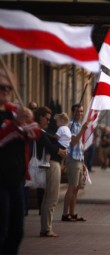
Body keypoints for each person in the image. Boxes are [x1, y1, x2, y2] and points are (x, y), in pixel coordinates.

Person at [0, 68, 40, 254]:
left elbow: (35, 132)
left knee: (17, 231)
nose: (6, 91)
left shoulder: (16, 111)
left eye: (9, 87)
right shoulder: (12, 118)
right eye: (2, 87)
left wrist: (26, 119)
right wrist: (15, 127)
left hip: (16, 179)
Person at [34, 107, 67, 237]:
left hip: (53, 164)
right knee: (51, 197)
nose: (48, 122)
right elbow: (50, 147)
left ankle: (45, 227)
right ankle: (47, 228)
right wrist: (60, 151)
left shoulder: (42, 131)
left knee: (48, 197)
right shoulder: (38, 131)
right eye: (47, 119)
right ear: (40, 117)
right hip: (51, 164)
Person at [61, 104, 89, 222]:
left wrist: (83, 161)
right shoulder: (71, 126)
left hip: (78, 159)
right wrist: (83, 131)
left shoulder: (78, 125)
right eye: (78, 111)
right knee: (71, 187)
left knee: (76, 188)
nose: (80, 113)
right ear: (73, 112)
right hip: (72, 159)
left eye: (82, 111)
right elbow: (73, 142)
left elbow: (80, 146)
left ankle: (72, 213)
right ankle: (65, 214)